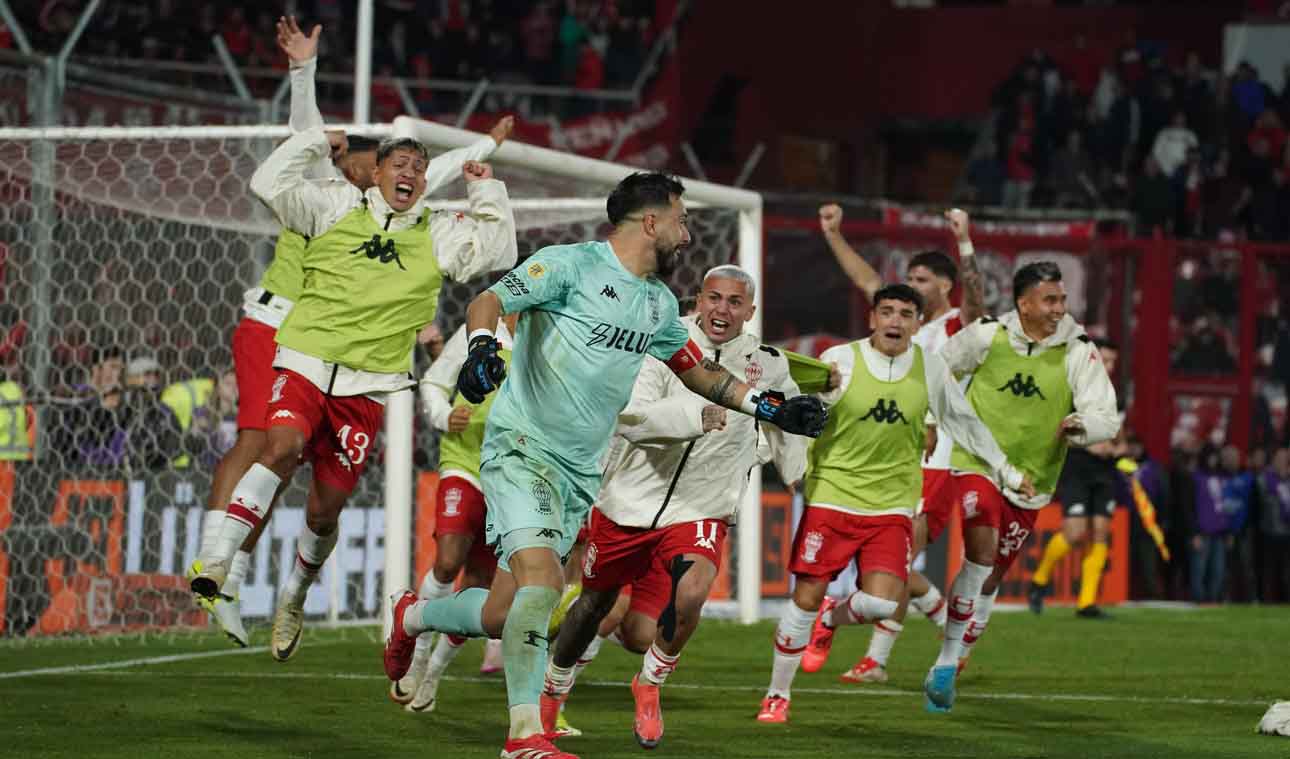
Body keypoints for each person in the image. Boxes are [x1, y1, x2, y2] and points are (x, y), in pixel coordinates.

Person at [383, 172, 827, 759]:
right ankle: (524, 738)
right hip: (522, 450)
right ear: (651, 222)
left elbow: (700, 373)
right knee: (543, 588)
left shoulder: (659, 303)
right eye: (681, 219)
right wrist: (485, 347)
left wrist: (770, 405)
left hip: (580, 473)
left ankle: (414, 616)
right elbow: (489, 299)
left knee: (501, 612)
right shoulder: (569, 266)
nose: (686, 234)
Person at [188, 15, 515, 649]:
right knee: (268, 443)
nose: (395, 172)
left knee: (322, 505)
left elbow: (436, 175)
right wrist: (303, 74)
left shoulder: (414, 216)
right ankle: (221, 565)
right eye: (382, 161)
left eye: (406, 167)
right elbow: (303, 134)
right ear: (361, 165)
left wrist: (483, 158)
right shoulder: (325, 197)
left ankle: (289, 591)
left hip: (365, 372)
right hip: (290, 334)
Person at [538, 264, 810, 748]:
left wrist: (793, 464)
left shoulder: (768, 363)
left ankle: (649, 684)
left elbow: (784, 419)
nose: (721, 310)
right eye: (713, 298)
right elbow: (633, 418)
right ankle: (553, 693)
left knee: (692, 593)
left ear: (750, 310)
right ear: (699, 301)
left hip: (700, 507)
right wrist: (693, 415)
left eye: (733, 302)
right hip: (629, 502)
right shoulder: (660, 345)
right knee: (594, 606)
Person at [756, 284, 1031, 725]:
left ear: (917, 324)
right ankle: (777, 695)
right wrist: (787, 464)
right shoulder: (839, 362)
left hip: (892, 507)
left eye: (906, 314)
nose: (895, 321)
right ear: (872, 319)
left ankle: (832, 616)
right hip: (833, 496)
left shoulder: (931, 368)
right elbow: (790, 407)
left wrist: (1007, 470)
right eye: (887, 312)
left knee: (883, 604)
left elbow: (965, 422)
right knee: (805, 596)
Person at [922, 261, 1119, 713]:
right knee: (981, 549)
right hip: (977, 461)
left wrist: (1081, 425)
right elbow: (935, 370)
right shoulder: (986, 335)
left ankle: (957, 655)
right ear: (1023, 303)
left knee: (991, 576)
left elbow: (1105, 415)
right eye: (1050, 300)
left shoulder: (1077, 349)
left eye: (1061, 300)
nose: (1058, 308)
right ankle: (948, 662)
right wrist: (933, 419)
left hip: (1033, 479)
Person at [817, 204, 987, 683]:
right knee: (888, 564)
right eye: (909, 277)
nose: (912, 287)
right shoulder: (902, 320)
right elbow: (869, 281)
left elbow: (977, 298)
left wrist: (966, 241)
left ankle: (879, 657)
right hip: (893, 454)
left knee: (894, 562)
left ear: (945, 287)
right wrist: (834, 235)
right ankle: (939, 619)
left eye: (923, 280)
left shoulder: (957, 325)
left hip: (938, 459)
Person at [389, 315, 519, 711]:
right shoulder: (478, 331)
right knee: (447, 562)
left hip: (511, 473)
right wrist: (444, 416)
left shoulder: (545, 339)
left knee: (479, 588)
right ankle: (418, 655)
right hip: (463, 460)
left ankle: (433, 675)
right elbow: (432, 382)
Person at [1028, 338, 1126, 618]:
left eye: (1112, 362)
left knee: (1100, 532)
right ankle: (1039, 581)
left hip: (1104, 471)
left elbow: (1121, 437)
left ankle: (1086, 603)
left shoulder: (1114, 394)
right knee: (1074, 533)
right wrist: (1089, 443)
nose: (1109, 366)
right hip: (1077, 468)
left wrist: (1117, 448)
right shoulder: (1072, 391)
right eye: (1105, 360)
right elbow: (1056, 435)